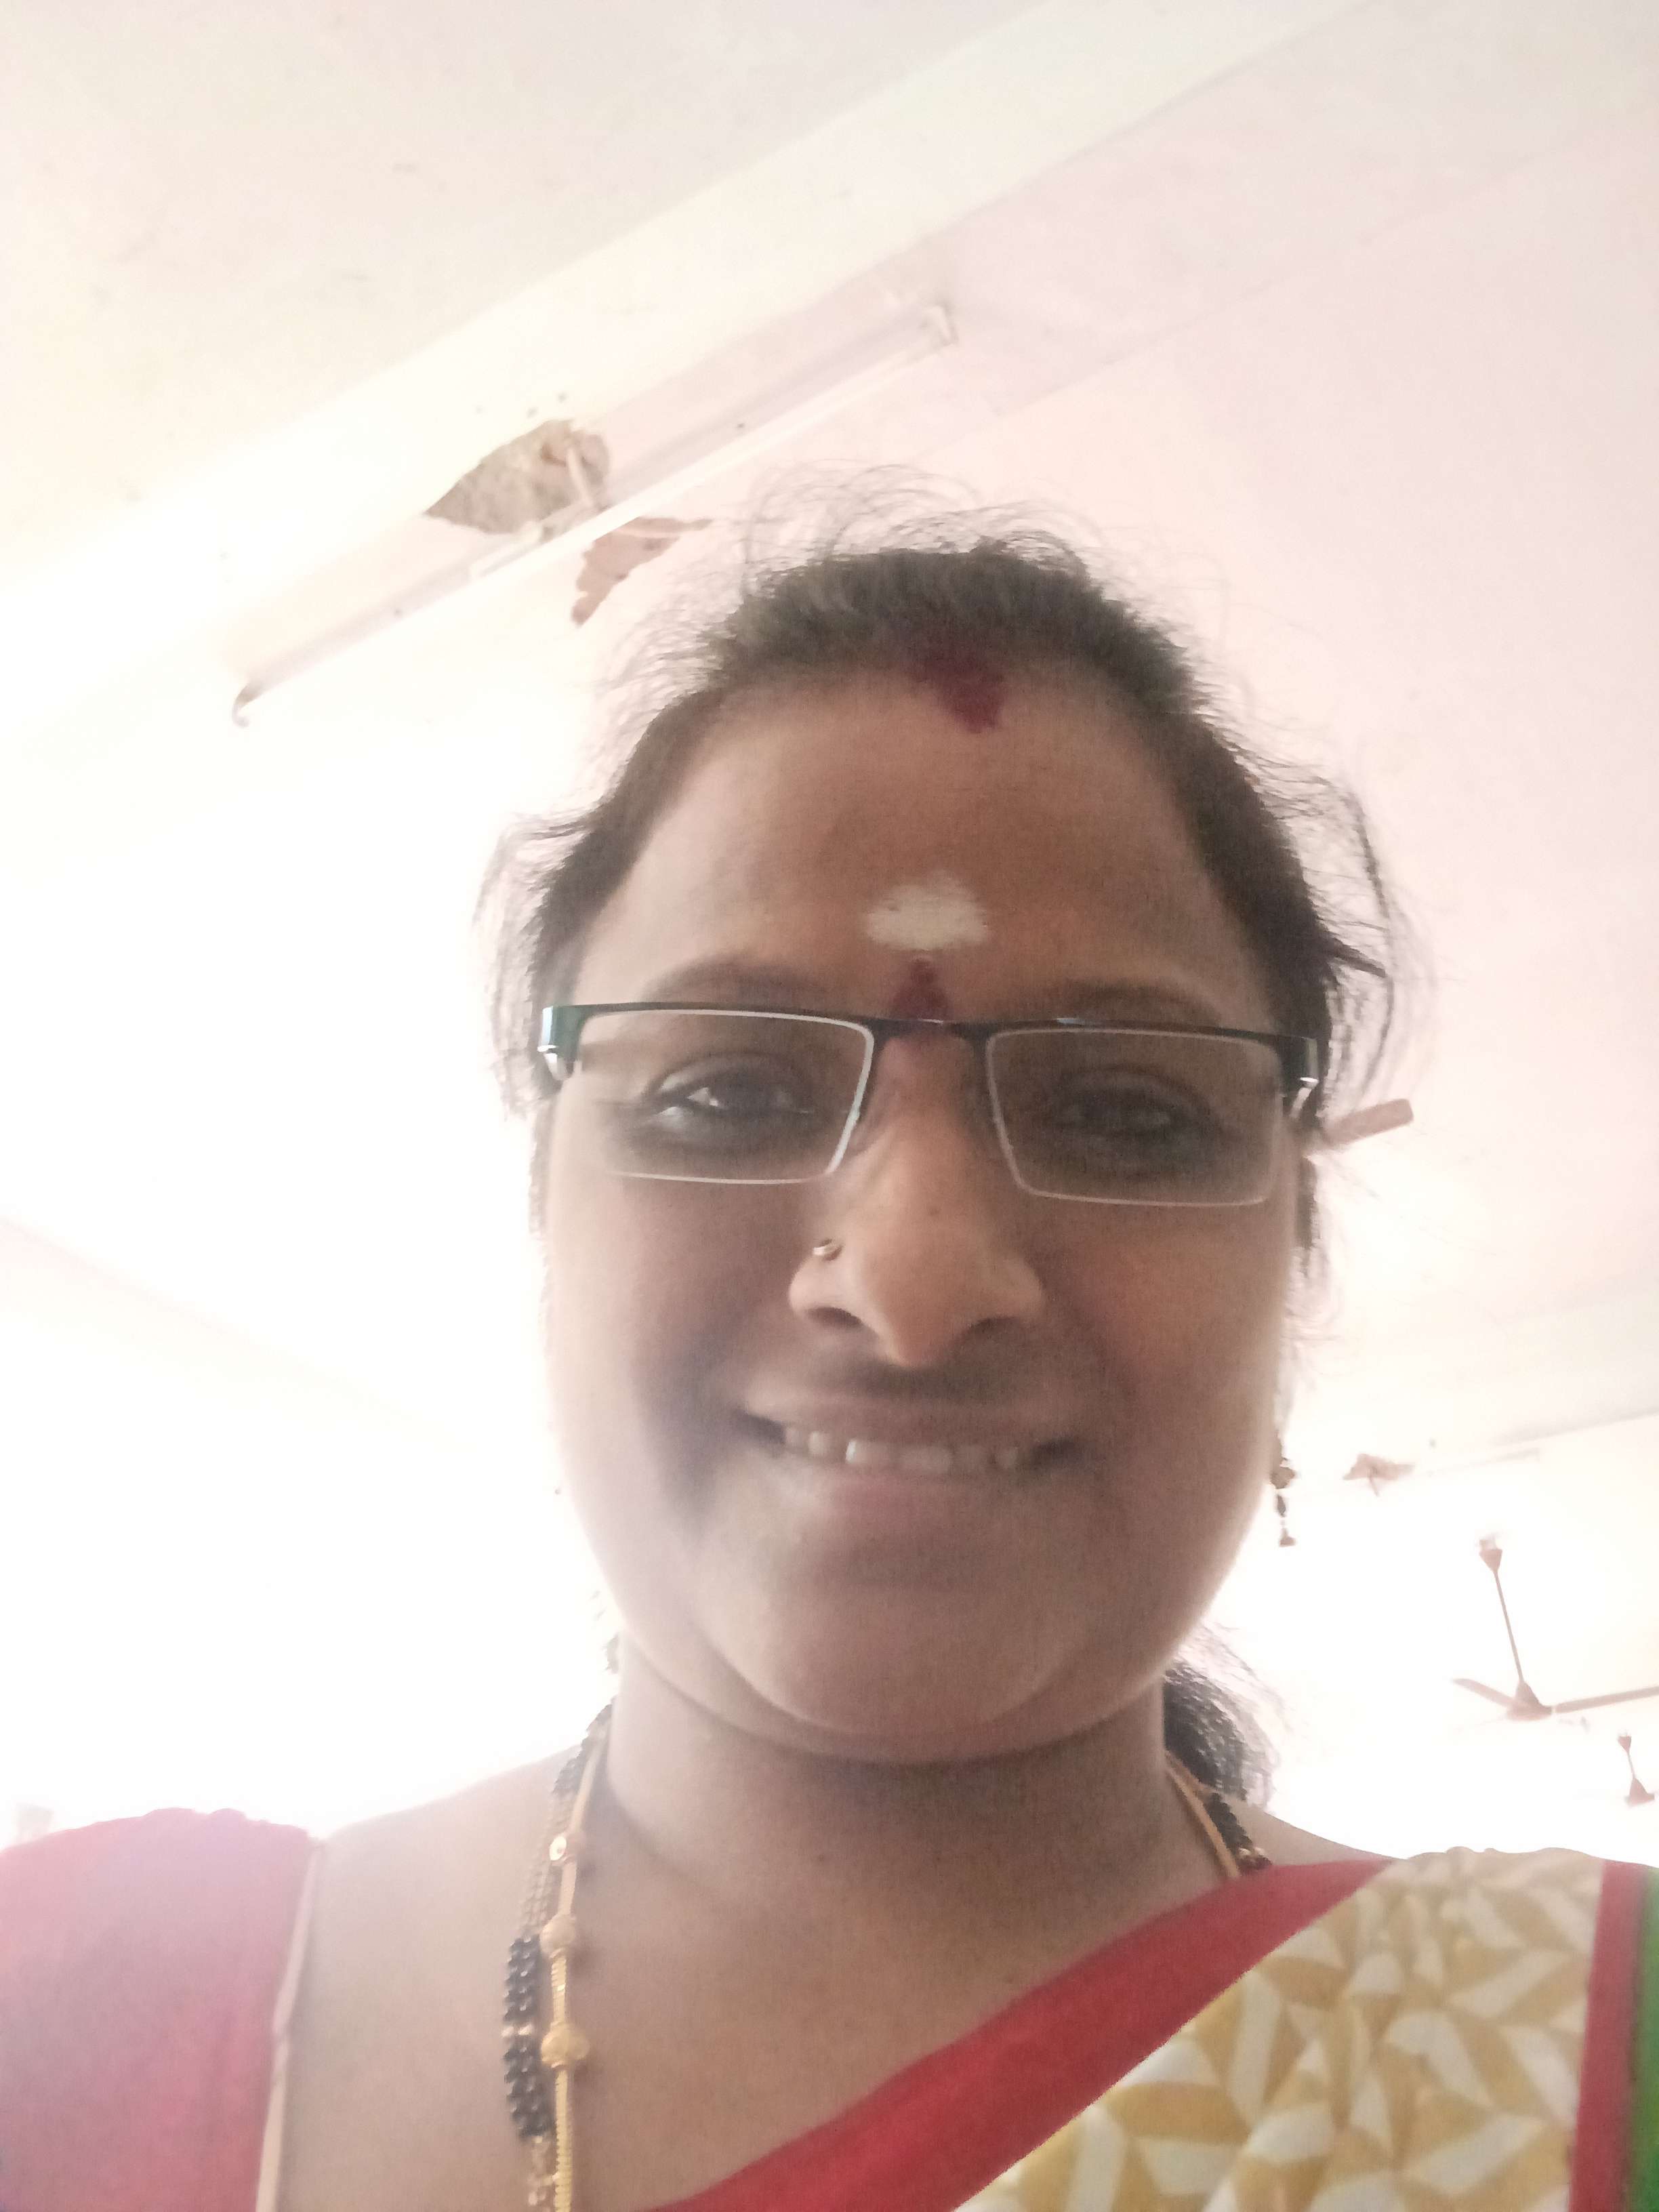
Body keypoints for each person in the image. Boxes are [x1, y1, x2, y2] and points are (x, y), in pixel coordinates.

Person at [2, 516, 1654, 2211]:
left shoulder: (1597, 2052)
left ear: (1296, 1237)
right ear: (545, 1200)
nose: (915, 1284)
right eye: (727, 1093)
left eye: (1120, 1110)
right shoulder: (55, 2029)